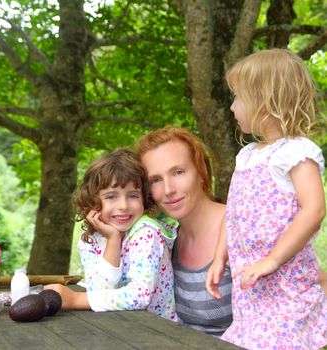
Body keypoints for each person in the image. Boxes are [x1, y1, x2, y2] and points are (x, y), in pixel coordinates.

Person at [206, 48, 327, 349]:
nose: (232, 107)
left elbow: (314, 210)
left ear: (265, 100)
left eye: (237, 97)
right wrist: (220, 257)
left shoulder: (297, 152)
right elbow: (232, 214)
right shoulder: (246, 155)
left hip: (285, 283)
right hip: (252, 286)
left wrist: (273, 260)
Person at [45, 148, 177, 321]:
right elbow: (99, 293)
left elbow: (140, 296)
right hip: (115, 326)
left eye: (132, 195)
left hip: (159, 332)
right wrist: (113, 241)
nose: (123, 205)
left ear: (143, 198)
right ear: (93, 201)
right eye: (111, 196)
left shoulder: (147, 234)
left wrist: (76, 299)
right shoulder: (91, 240)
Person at [134, 126, 233, 337]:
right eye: (155, 180)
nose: (168, 189)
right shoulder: (165, 240)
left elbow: (312, 282)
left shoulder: (238, 226)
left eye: (178, 172)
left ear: (201, 172)